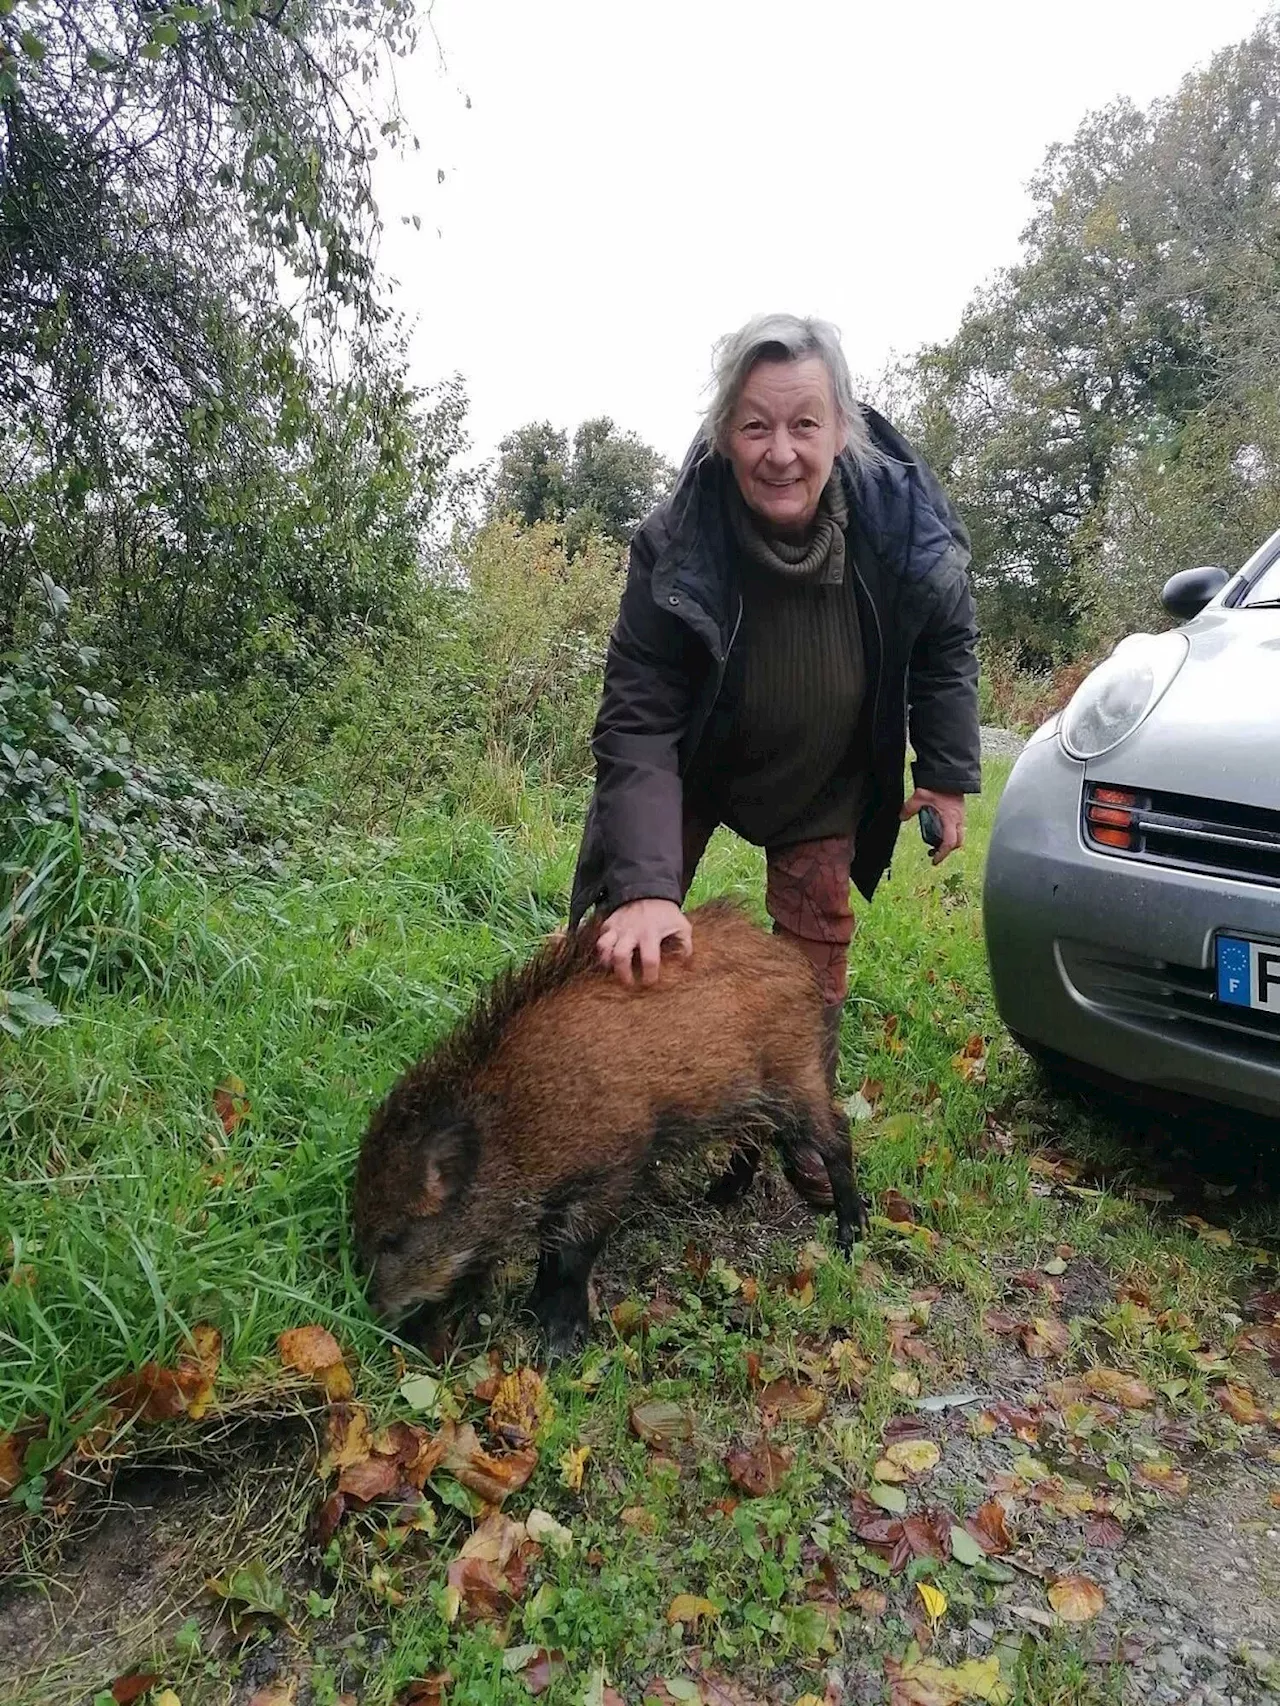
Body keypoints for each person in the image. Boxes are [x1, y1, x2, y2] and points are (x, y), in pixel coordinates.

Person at [569, 313, 980, 1195]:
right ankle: (616, 1108)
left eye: (804, 425)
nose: (781, 452)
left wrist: (943, 773)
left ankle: (799, 1111)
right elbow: (637, 718)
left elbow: (945, 640)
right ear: (725, 434)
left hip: (828, 774)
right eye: (756, 426)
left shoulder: (901, 522)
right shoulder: (674, 541)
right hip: (698, 761)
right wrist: (643, 888)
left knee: (812, 955)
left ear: (843, 427)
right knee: (627, 936)